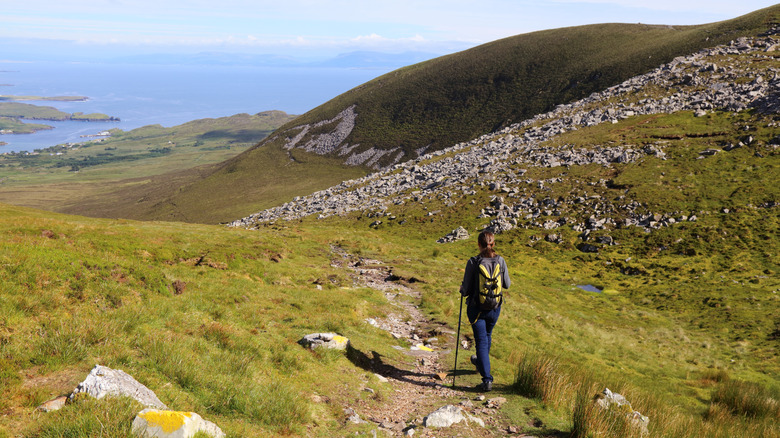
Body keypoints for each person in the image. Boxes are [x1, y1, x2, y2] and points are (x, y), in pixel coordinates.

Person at [459, 230, 511, 392]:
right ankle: (480, 363)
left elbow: (466, 290)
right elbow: (507, 284)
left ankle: (487, 379)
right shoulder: (500, 260)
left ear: (478, 244)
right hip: (495, 307)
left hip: (476, 309)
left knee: (481, 341)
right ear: (493, 244)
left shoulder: (473, 262)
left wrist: (462, 289)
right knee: (487, 336)